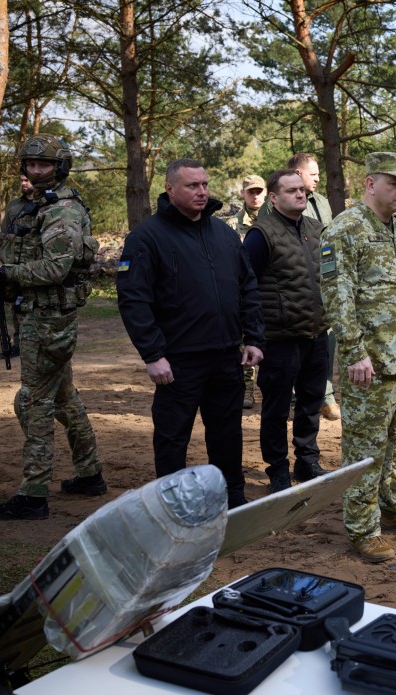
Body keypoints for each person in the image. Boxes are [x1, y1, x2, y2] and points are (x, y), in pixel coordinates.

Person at [116, 158, 264, 509]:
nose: (201, 192)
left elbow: (248, 287)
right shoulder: (146, 237)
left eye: (204, 184)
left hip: (226, 355)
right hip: (177, 360)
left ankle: (233, 496)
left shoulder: (223, 234)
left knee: (227, 433)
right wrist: (152, 354)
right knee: (172, 437)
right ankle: (171, 504)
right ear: (170, 189)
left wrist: (254, 337)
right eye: (192, 186)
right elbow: (133, 300)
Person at [321, 152, 396, 563]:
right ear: (370, 183)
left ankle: (395, 508)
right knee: (365, 451)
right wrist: (354, 353)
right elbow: (338, 299)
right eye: (394, 183)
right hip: (369, 366)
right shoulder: (346, 229)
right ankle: (361, 528)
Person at [0, 135, 104, 520]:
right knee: (64, 398)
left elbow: (56, 269)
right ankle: (90, 473)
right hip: (36, 315)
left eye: (44, 165)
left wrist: (4, 273)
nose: (36, 171)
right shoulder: (32, 206)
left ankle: (34, 494)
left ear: (60, 167)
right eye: (31, 165)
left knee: (33, 402)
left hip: (49, 320)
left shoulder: (63, 211)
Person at [242, 170, 330, 493]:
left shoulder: (315, 229)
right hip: (279, 339)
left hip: (316, 334)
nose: (300, 194)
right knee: (277, 409)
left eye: (302, 190)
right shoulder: (261, 235)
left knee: (311, 402)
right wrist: (251, 334)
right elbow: (245, 284)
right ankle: (277, 469)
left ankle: (307, 460)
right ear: (274, 198)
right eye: (291, 190)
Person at [266, 152, 341, 422]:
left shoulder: (320, 201)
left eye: (320, 173)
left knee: (326, 343)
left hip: (320, 284)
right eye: (313, 173)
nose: (318, 178)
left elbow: (328, 239)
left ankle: (325, 393)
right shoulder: (275, 205)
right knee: (292, 356)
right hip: (291, 294)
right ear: (297, 173)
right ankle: (295, 397)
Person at [228, 174, 267, 409]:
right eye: (250, 191)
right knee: (246, 341)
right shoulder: (232, 225)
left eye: (259, 191)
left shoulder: (275, 220)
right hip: (245, 292)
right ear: (243, 194)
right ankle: (247, 390)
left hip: (270, 290)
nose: (255, 196)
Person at [0, 174, 34, 357]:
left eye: (27, 180)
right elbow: (4, 235)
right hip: (14, 263)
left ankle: (33, 342)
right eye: (22, 180)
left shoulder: (46, 204)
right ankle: (18, 343)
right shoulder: (14, 205)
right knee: (16, 303)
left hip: (36, 264)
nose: (24, 183)